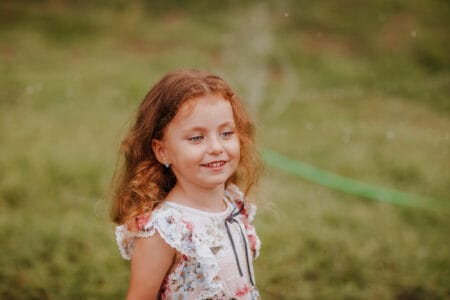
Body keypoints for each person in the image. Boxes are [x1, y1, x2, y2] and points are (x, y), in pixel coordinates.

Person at [112, 69, 262, 299]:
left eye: (226, 133)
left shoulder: (233, 204)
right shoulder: (166, 231)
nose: (216, 147)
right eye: (196, 138)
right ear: (162, 151)